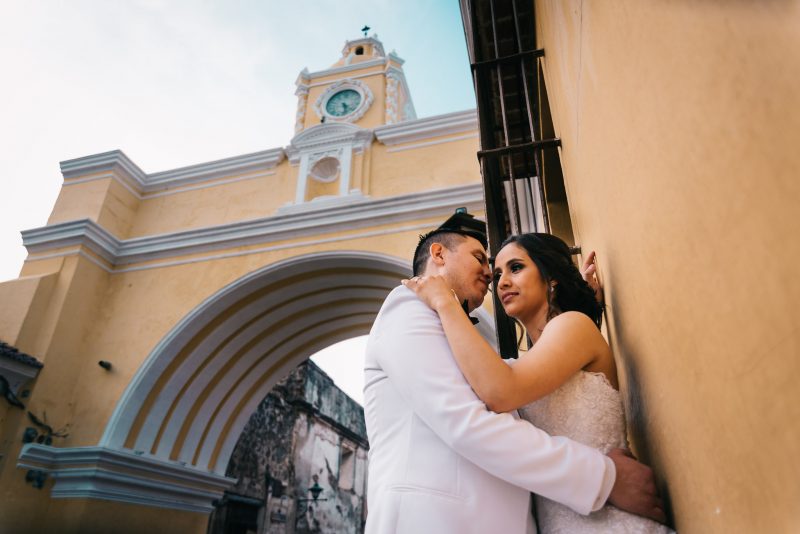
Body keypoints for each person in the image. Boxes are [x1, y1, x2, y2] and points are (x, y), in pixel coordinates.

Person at [363, 211, 665, 534]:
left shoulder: (547, 337)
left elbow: (513, 383)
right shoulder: (409, 306)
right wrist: (603, 478)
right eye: (481, 260)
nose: (493, 277)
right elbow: (471, 415)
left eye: (515, 268)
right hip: (436, 521)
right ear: (438, 254)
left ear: (550, 277)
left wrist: (577, 308)